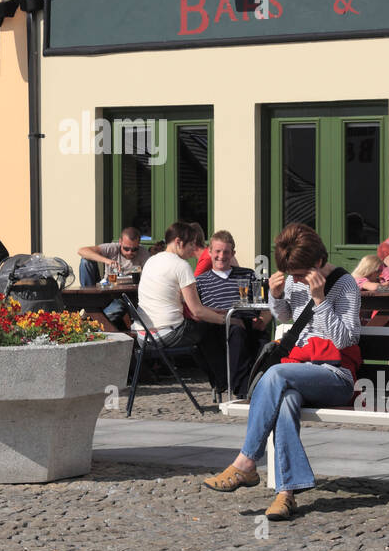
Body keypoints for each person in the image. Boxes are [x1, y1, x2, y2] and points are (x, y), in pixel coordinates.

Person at [203, 223, 362, 521]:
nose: (297, 280)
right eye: (292, 276)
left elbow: (346, 339)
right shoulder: (293, 279)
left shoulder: (345, 284)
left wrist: (320, 300)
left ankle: (247, 462)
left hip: (336, 375)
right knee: (286, 400)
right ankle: (286, 493)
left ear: (317, 262)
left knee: (275, 375)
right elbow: (287, 319)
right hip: (299, 370)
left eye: (301, 274)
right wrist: (276, 297)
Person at [133, 221, 230, 390]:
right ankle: (226, 383)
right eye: (191, 244)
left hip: (143, 335)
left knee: (203, 332)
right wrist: (226, 319)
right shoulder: (181, 266)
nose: (194, 249)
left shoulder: (151, 261)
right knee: (211, 330)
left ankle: (219, 383)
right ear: (178, 242)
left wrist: (213, 313)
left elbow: (181, 302)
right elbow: (197, 311)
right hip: (167, 335)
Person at [193, 230, 270, 398]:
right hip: (218, 326)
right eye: (218, 251)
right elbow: (197, 311)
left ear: (233, 253)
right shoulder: (200, 281)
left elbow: (264, 305)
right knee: (224, 334)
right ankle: (239, 387)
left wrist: (263, 319)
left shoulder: (249, 274)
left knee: (254, 336)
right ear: (210, 252)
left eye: (226, 252)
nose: (221, 256)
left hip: (248, 321)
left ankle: (249, 384)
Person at [77, 227, 149, 286]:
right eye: (126, 249)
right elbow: (82, 251)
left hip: (131, 290)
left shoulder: (143, 253)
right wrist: (107, 261)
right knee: (85, 261)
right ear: (120, 242)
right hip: (109, 288)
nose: (130, 252)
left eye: (134, 249)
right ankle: (88, 295)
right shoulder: (112, 248)